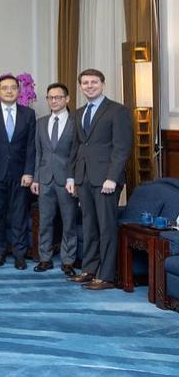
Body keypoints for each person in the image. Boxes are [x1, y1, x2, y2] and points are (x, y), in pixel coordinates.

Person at [67, 68, 133, 290]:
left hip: (106, 180)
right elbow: (76, 147)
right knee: (89, 226)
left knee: (106, 227)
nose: (89, 86)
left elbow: (121, 148)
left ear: (103, 84)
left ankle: (106, 276)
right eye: (85, 83)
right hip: (84, 178)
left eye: (93, 82)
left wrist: (112, 178)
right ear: (80, 86)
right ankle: (89, 270)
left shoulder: (117, 111)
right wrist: (73, 178)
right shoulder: (78, 112)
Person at [0, 74, 36, 270]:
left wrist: (29, 172)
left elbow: (31, 146)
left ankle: (19, 255)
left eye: (13, 87)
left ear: (18, 90)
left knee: (19, 216)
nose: (9, 91)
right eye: (4, 87)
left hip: (20, 174)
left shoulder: (28, 114)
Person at [31, 83, 78, 276]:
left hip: (67, 180)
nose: (54, 101)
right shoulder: (41, 122)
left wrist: (73, 179)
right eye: (50, 97)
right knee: (45, 221)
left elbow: (77, 154)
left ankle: (68, 261)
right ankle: (45, 258)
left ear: (67, 99)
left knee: (69, 222)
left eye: (58, 97)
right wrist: (35, 178)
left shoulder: (76, 122)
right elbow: (37, 153)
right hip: (44, 179)